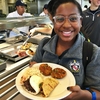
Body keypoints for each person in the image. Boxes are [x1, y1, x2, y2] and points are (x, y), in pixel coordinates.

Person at [29, 0, 100, 100]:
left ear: (81, 22)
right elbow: (34, 65)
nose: (66, 25)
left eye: (73, 18)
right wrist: (33, 69)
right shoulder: (44, 44)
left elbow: (97, 92)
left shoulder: (92, 52)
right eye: (60, 19)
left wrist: (83, 95)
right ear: (53, 22)